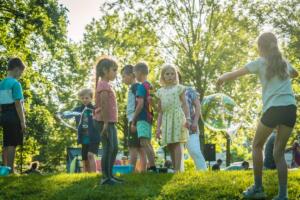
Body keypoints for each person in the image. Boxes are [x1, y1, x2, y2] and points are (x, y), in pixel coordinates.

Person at [217, 32, 298, 200]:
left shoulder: (260, 63)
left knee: (256, 146)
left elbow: (237, 73)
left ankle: (258, 188)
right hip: (290, 108)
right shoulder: (283, 63)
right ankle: (283, 195)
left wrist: (222, 78)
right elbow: (296, 73)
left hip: (273, 109)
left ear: (261, 48)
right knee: (279, 153)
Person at [155, 64, 190, 172]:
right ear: (163, 76)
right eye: (167, 74)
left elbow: (184, 104)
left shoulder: (179, 88)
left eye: (172, 74)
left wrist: (188, 118)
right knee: (170, 144)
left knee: (177, 142)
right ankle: (175, 168)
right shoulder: (160, 92)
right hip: (166, 119)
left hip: (177, 117)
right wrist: (158, 127)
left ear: (176, 75)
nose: (170, 76)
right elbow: (160, 111)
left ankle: (178, 170)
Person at [93, 56, 121, 185]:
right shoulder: (103, 85)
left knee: (114, 148)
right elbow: (103, 105)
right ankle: (105, 178)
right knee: (108, 148)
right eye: (114, 70)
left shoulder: (107, 85)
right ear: (105, 70)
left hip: (110, 122)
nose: (116, 73)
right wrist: (104, 123)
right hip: (104, 122)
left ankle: (110, 175)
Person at [0, 58, 26, 174]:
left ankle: (4, 168)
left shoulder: (1, 83)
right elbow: (17, 103)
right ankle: (11, 170)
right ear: (16, 69)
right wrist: (22, 121)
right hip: (13, 115)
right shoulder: (15, 84)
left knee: (6, 142)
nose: (20, 75)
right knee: (12, 143)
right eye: (21, 72)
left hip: (3, 114)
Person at [178, 73, 207, 171]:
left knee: (195, 151)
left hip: (190, 127)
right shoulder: (167, 92)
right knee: (178, 154)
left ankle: (203, 173)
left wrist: (195, 122)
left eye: (174, 75)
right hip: (175, 128)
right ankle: (179, 175)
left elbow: (198, 106)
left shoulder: (189, 90)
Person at [131, 62, 156, 172]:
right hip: (149, 117)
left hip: (142, 117)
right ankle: (152, 166)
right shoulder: (150, 86)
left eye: (134, 73)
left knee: (144, 142)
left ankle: (152, 167)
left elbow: (140, 104)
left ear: (139, 72)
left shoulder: (141, 87)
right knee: (147, 143)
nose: (134, 76)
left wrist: (133, 119)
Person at [121, 65, 147, 172]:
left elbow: (138, 104)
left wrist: (133, 122)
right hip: (137, 120)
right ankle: (143, 171)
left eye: (124, 76)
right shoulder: (137, 87)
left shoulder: (134, 87)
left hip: (134, 119)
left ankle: (131, 171)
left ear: (132, 75)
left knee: (133, 148)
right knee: (141, 148)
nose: (123, 79)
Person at [73, 89, 99, 173]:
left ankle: (94, 174)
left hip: (94, 137)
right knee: (84, 159)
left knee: (90, 155)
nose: (84, 100)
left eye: (87, 98)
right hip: (83, 137)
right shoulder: (77, 109)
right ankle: (86, 175)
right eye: (82, 98)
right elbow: (68, 114)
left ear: (91, 98)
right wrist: (60, 116)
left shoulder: (95, 109)